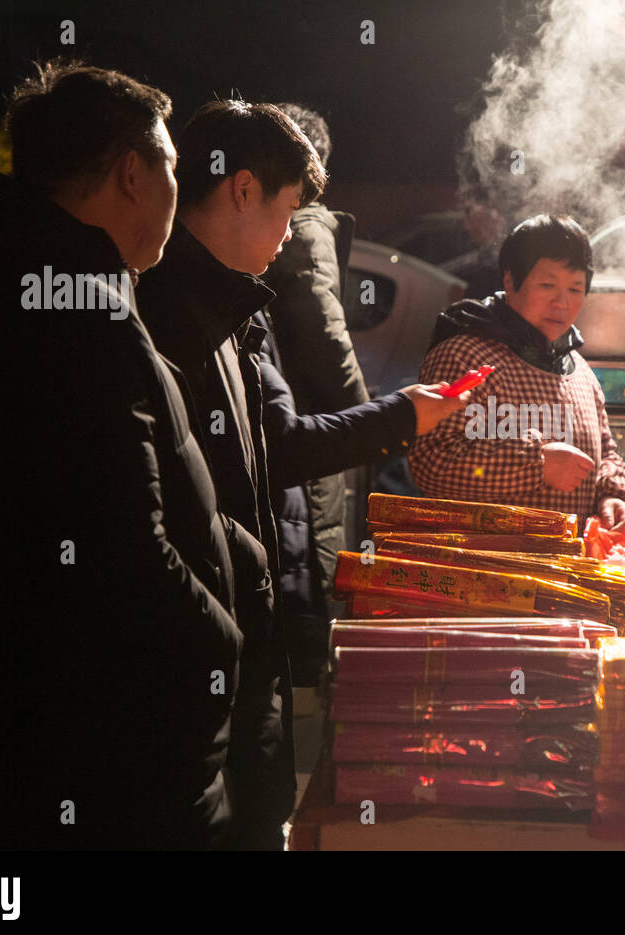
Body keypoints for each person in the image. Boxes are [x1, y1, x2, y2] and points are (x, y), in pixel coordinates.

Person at [0, 61, 243, 849]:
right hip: (108, 748)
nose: (176, 189)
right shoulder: (77, 308)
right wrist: (217, 641)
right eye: (169, 166)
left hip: (20, 728)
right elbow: (120, 538)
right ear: (132, 173)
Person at [137, 100, 465, 848]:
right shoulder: (160, 310)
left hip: (248, 636)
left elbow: (275, 444)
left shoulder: (239, 307)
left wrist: (401, 416)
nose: (291, 236)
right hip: (204, 652)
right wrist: (393, 420)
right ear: (244, 190)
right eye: (288, 212)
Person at [409, 214, 625, 527]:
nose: (562, 302)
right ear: (509, 281)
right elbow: (432, 464)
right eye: (548, 285)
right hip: (482, 567)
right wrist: (536, 465)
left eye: (575, 289)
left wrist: (612, 494)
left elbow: (606, 453)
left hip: (563, 569)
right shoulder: (465, 357)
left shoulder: (580, 371)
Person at [259, 103, 363, 689]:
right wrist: (370, 421)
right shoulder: (306, 224)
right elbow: (326, 332)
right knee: (308, 559)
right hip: (308, 425)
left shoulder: (291, 223)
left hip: (291, 419)